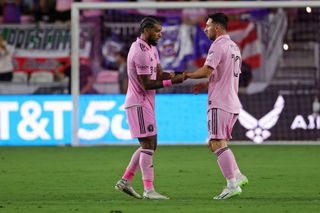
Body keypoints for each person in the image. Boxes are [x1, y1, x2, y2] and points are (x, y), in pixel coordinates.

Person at [115, 16, 185, 200]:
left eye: (161, 31)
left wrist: (179, 75)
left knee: (151, 144)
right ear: (146, 31)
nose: (160, 35)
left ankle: (125, 181)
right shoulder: (140, 52)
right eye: (157, 31)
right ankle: (149, 190)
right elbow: (147, 84)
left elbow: (159, 73)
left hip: (146, 103)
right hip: (138, 102)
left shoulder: (151, 48)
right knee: (148, 144)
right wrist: (172, 82)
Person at [185, 13, 248, 200]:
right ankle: (237, 174)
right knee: (217, 143)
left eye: (208, 25)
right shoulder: (234, 46)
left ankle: (232, 185)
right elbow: (225, 74)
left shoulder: (218, 45)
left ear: (218, 28)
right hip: (232, 101)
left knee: (216, 143)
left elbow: (207, 70)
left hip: (219, 102)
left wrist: (186, 75)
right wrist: (207, 85)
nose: (205, 29)